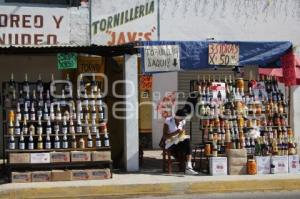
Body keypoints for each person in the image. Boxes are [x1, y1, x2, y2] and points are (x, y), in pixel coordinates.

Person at [163, 109, 198, 175]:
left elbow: (182, 132)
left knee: (188, 142)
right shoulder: (168, 121)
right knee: (187, 144)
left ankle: (188, 166)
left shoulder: (183, 121)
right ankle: (188, 167)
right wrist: (175, 132)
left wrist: (181, 134)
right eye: (181, 118)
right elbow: (165, 135)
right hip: (170, 143)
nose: (182, 120)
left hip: (179, 141)